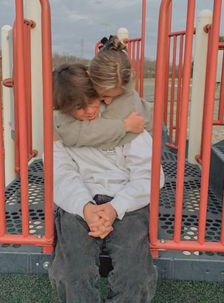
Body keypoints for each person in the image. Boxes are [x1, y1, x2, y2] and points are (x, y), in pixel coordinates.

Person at [49, 63, 165, 303]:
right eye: (77, 108)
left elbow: (149, 175)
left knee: (135, 276)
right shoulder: (61, 132)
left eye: (93, 100)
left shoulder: (128, 121)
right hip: (80, 202)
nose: (89, 111)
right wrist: (86, 207)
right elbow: (62, 176)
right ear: (63, 109)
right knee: (71, 273)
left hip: (126, 199)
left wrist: (115, 207)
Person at [54, 36, 153, 148]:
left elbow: (107, 143)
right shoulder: (78, 82)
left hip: (147, 138)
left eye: (112, 96)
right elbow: (69, 132)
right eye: (102, 95)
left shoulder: (126, 98)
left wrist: (121, 127)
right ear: (89, 75)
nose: (107, 100)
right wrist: (124, 125)